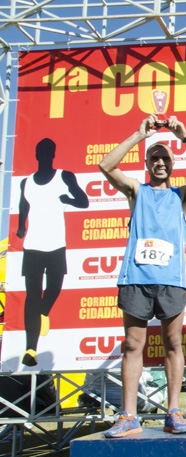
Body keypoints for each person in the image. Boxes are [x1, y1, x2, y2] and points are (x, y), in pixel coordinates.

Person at [99, 114, 186, 437]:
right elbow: (106, 166)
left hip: (171, 280)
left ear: (172, 163)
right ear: (147, 164)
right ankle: (128, 415)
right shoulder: (136, 191)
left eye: (165, 158)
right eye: (155, 158)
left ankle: (174, 411)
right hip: (136, 279)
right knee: (132, 344)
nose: (160, 162)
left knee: (172, 343)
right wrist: (139, 136)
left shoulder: (181, 195)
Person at [16, 138, 89, 367]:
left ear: (53, 154)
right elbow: (23, 205)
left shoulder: (64, 176)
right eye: (41, 152)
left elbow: (84, 201)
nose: (45, 155)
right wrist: (21, 226)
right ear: (37, 155)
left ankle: (44, 312)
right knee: (31, 296)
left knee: (55, 287)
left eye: (48, 151)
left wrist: (69, 199)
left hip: (57, 245)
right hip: (32, 247)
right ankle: (30, 350)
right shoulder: (26, 182)